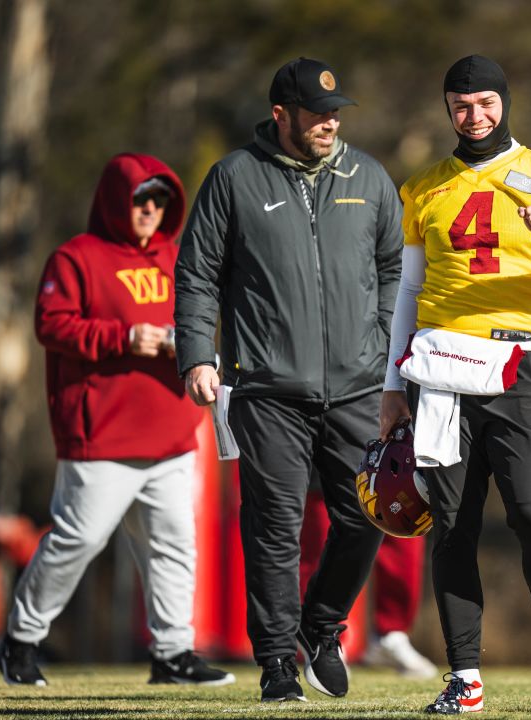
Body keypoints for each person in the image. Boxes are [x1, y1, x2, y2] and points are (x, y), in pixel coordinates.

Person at [377, 55, 531, 714]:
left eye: (485, 104)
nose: (474, 117)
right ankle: (464, 677)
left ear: (505, 103)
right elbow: (409, 292)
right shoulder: (422, 187)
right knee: (452, 527)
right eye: (461, 106)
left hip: (520, 363)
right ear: (448, 109)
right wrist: (393, 385)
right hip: (442, 368)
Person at [173, 57, 403, 702]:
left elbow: (393, 268)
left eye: (336, 112)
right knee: (273, 526)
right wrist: (196, 354)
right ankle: (277, 662)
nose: (331, 122)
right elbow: (196, 273)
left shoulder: (370, 177)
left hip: (359, 384)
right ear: (282, 116)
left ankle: (322, 625)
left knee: (369, 514)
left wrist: (382, 338)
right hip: (268, 387)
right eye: (318, 113)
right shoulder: (234, 178)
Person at [0, 153, 234, 688]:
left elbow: (199, 318)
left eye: (159, 200)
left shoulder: (178, 258)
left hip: (171, 433)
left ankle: (173, 653)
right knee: (77, 539)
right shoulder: (76, 258)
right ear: (114, 199)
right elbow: (50, 324)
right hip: (101, 434)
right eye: (139, 199)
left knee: (175, 544)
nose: (149, 209)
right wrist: (122, 338)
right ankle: (20, 640)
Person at [299, 484, 439, 678]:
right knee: (323, 536)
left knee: (405, 528)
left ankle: (389, 635)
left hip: (392, 459)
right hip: (331, 460)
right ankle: (323, 639)